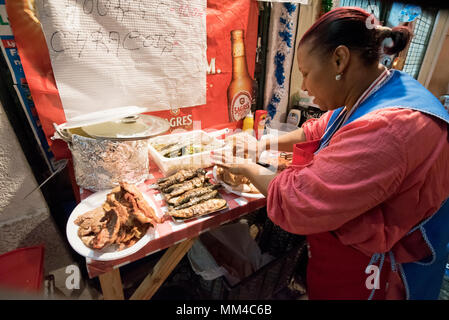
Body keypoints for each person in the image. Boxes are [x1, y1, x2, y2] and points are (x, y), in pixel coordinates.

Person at [211, 7, 449, 300]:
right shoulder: (380, 88)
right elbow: (320, 127)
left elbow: (298, 200)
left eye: (306, 74)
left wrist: (245, 167)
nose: (305, 87)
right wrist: (261, 146)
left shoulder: (389, 128)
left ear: (339, 59)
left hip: (378, 277)